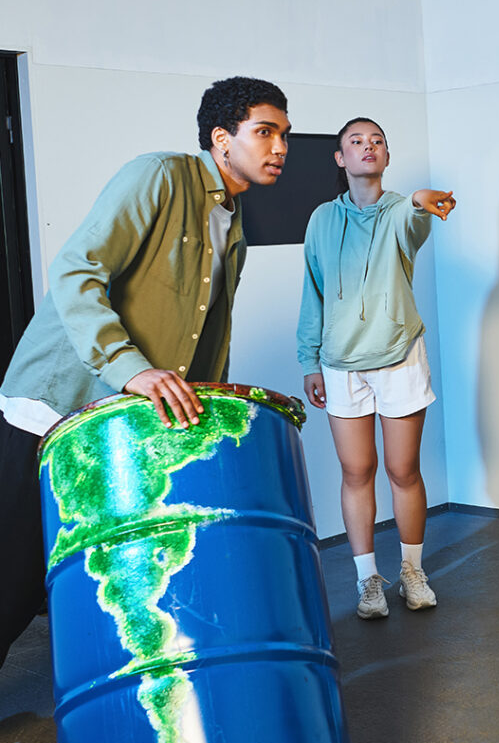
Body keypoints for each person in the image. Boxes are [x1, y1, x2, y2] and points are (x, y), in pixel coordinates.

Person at [0, 76, 291, 667]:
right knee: (11, 580)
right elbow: (77, 271)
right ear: (221, 137)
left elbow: (207, 339)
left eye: (283, 135)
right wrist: (132, 370)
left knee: (82, 572)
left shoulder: (233, 226)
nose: (280, 147)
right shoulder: (161, 176)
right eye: (264, 132)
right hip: (56, 403)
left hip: (118, 422)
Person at [297, 118, 454, 621]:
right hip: (340, 363)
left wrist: (419, 201)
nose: (369, 147)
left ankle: (411, 570)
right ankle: (368, 580)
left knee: (403, 471)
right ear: (340, 158)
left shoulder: (403, 211)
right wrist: (309, 360)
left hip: (398, 355)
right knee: (356, 471)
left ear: (386, 156)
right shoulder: (322, 218)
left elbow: (414, 224)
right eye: (356, 142)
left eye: (378, 141)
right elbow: (313, 291)